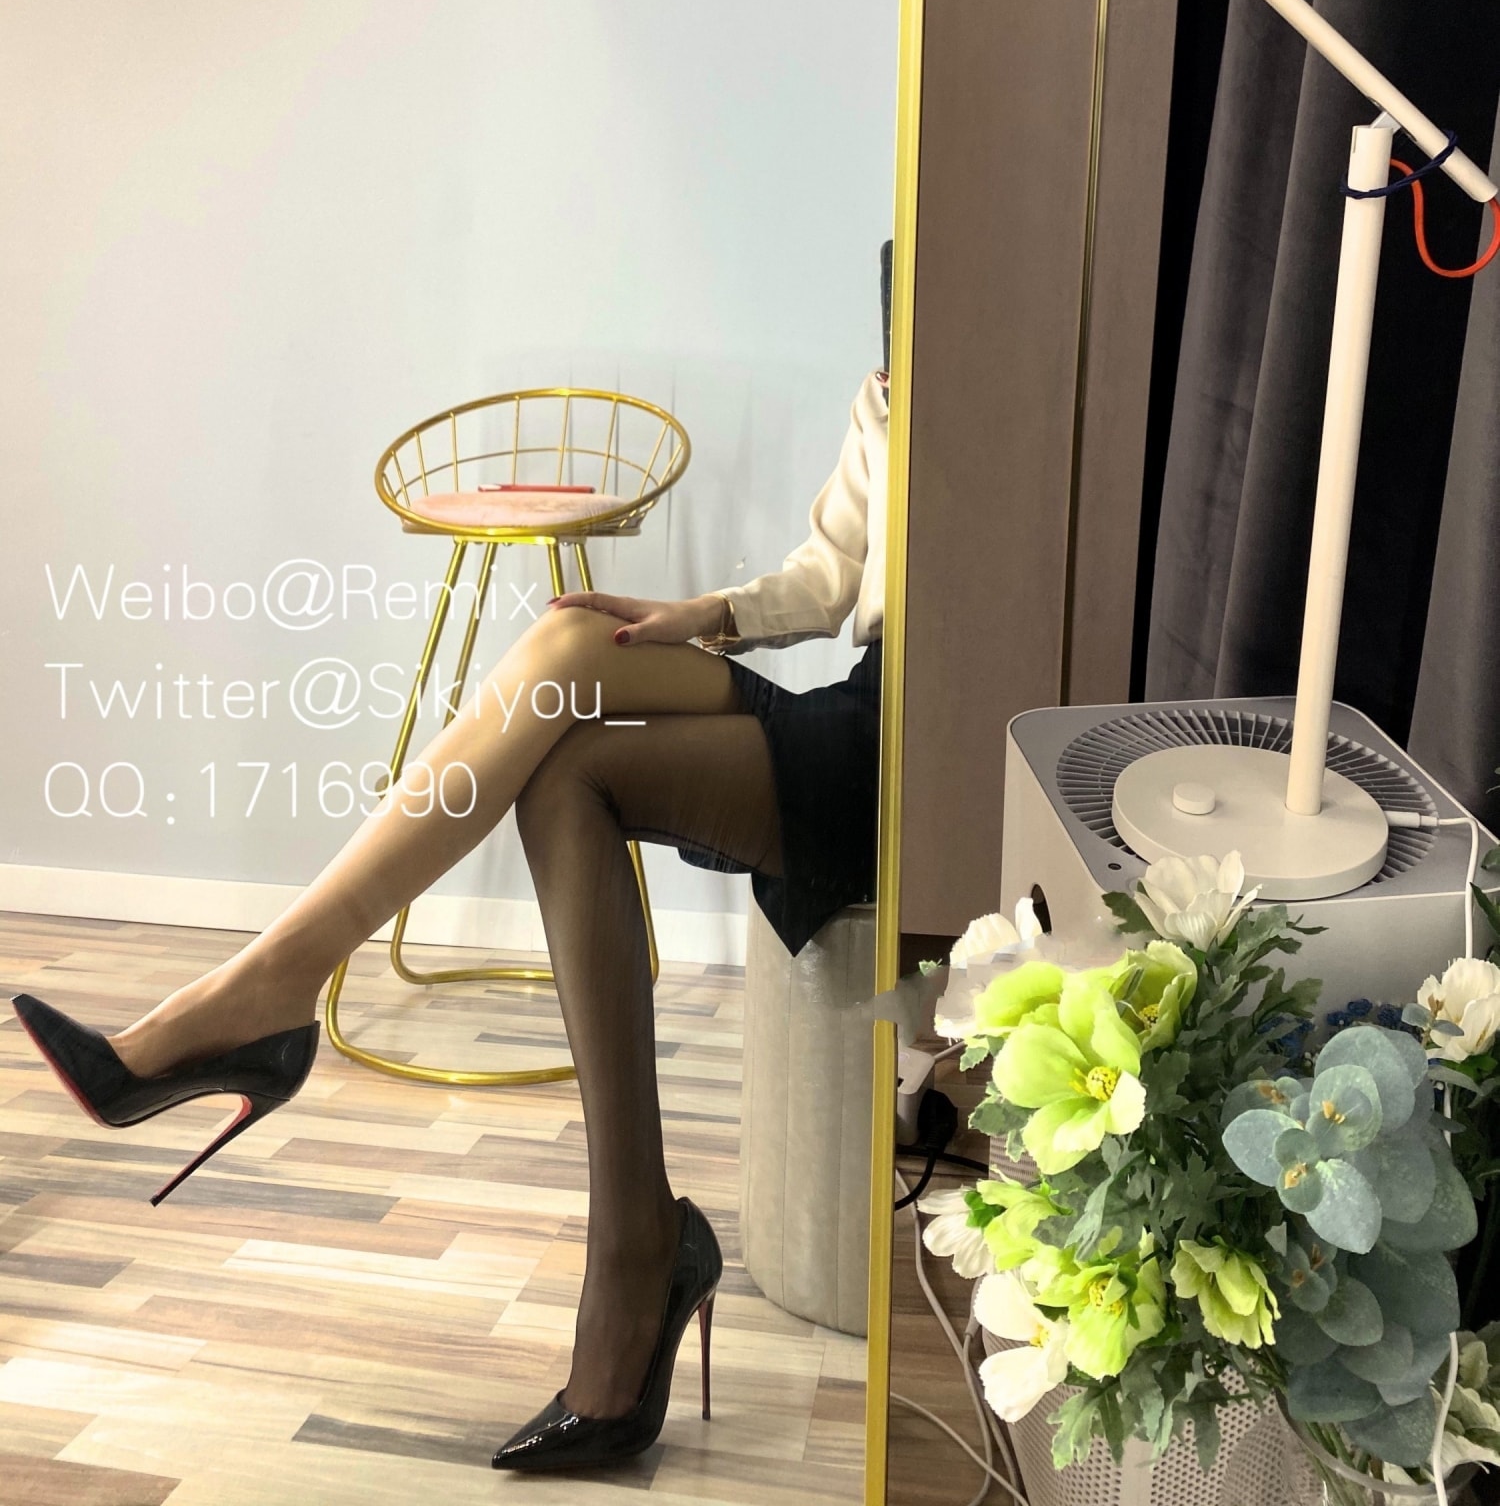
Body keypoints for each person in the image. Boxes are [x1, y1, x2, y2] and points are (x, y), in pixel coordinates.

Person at [12, 363, 889, 1474]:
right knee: (568, 685)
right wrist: (705, 615)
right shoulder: (899, 356)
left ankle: (265, 1002)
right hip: (853, 704)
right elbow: (838, 569)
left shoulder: (995, 334)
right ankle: (629, 1233)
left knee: (566, 746)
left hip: (918, 738)